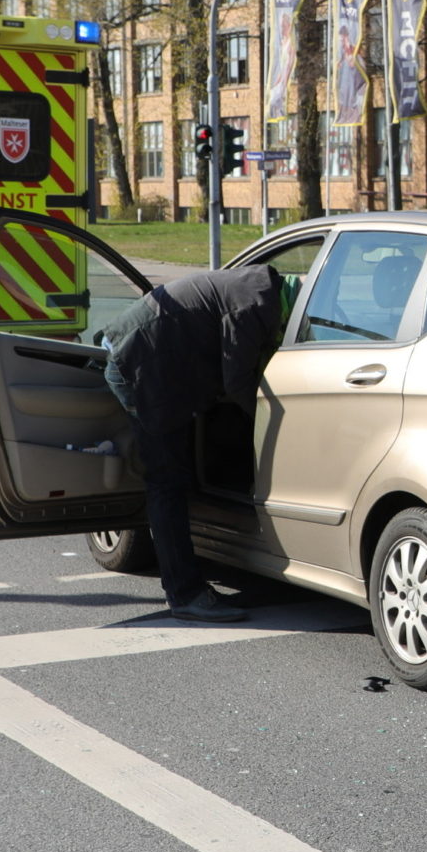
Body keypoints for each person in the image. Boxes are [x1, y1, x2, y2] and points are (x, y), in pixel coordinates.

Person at [99, 263, 287, 622]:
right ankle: (185, 594)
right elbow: (237, 382)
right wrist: (267, 425)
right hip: (138, 367)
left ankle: (186, 579)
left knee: (173, 475)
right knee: (167, 481)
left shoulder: (256, 288)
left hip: (150, 359)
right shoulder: (252, 306)